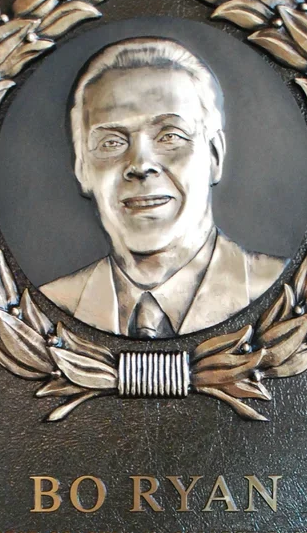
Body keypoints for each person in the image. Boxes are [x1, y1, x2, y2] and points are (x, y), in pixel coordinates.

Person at [40, 37, 287, 338]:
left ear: (214, 156)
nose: (141, 164)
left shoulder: (283, 291)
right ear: (82, 169)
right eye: (112, 142)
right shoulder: (47, 307)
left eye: (170, 136)